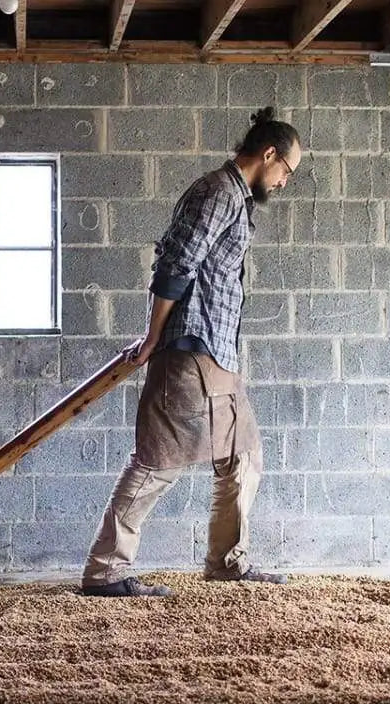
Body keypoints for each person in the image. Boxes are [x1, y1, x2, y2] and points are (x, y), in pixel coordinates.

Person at [80, 106, 302, 598]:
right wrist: (154, 336)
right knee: (159, 461)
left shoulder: (236, 200)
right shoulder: (216, 192)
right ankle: (105, 572)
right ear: (269, 155)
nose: (286, 182)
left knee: (243, 456)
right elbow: (175, 265)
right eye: (287, 171)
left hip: (218, 351)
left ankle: (227, 564)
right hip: (188, 347)